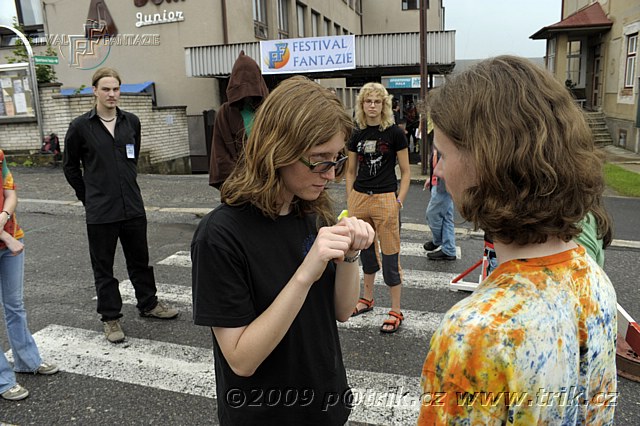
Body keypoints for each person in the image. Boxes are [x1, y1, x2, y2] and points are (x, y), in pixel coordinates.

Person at [417, 56, 617, 424]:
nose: (439, 169)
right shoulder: (592, 279)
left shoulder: (476, 331)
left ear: (487, 161)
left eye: (442, 154)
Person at [192, 76, 374, 425]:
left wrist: (351, 254)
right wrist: (305, 273)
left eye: (336, 159)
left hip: (326, 404)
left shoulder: (312, 211)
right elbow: (241, 359)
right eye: (320, 159)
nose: (331, 174)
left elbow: (342, 310)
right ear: (279, 149)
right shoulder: (219, 236)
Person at [63, 67, 178, 344]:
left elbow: (132, 158)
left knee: (140, 261)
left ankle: (149, 304)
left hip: (132, 207)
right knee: (103, 267)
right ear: (95, 91)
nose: (112, 94)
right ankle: (111, 318)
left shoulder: (131, 122)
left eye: (115, 89)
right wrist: (88, 197)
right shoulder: (80, 127)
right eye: (106, 89)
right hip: (101, 211)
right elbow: (70, 167)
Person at [347, 82, 410, 333]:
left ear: (384, 105)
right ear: (362, 105)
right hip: (360, 197)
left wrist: (398, 201)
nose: (372, 105)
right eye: (368, 101)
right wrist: (351, 198)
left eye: (377, 101)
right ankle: (367, 298)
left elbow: (405, 173)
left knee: (391, 255)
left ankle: (395, 309)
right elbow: (350, 170)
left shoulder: (395, 133)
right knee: (366, 252)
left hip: (386, 197)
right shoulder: (356, 133)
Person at [0, 150, 59, 401]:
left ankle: (27, 360)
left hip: (11, 238)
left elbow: (10, 194)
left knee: (15, 306)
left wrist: (2, 220)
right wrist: (3, 235)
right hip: (8, 238)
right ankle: (3, 380)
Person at [209, 51, 269, 189]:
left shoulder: (268, 110)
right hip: (239, 184)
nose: (247, 93)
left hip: (269, 183)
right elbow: (221, 152)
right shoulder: (226, 113)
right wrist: (239, 180)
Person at [423, 126, 456, 261]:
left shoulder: (448, 136)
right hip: (439, 181)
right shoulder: (442, 134)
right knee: (446, 216)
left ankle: (438, 241)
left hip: (444, 183)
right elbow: (437, 161)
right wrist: (431, 178)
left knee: (432, 214)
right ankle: (449, 249)